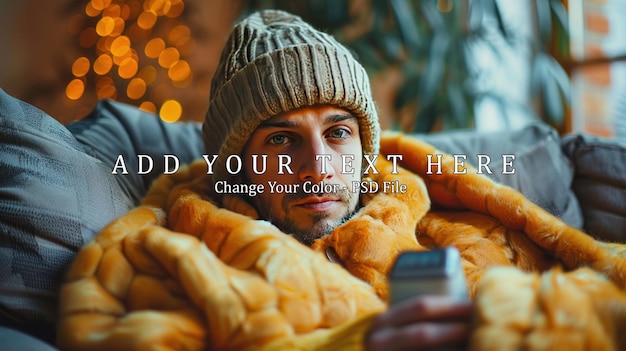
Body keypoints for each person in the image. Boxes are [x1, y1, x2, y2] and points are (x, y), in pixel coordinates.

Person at [202, 9, 473, 350]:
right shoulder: (194, 271)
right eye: (281, 139)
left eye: (338, 132)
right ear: (238, 167)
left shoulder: (454, 228)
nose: (318, 168)